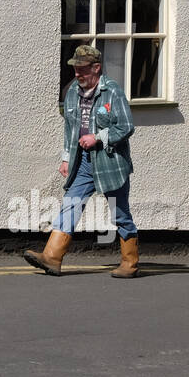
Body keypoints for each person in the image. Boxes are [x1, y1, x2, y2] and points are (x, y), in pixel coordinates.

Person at [23, 44, 140, 278]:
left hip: (110, 162)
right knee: (71, 203)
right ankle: (52, 257)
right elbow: (70, 129)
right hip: (84, 161)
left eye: (83, 69)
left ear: (96, 68)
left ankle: (130, 263)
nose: (77, 74)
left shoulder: (112, 91)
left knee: (120, 213)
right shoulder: (73, 92)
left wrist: (97, 137)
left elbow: (126, 127)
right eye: (75, 68)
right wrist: (66, 158)